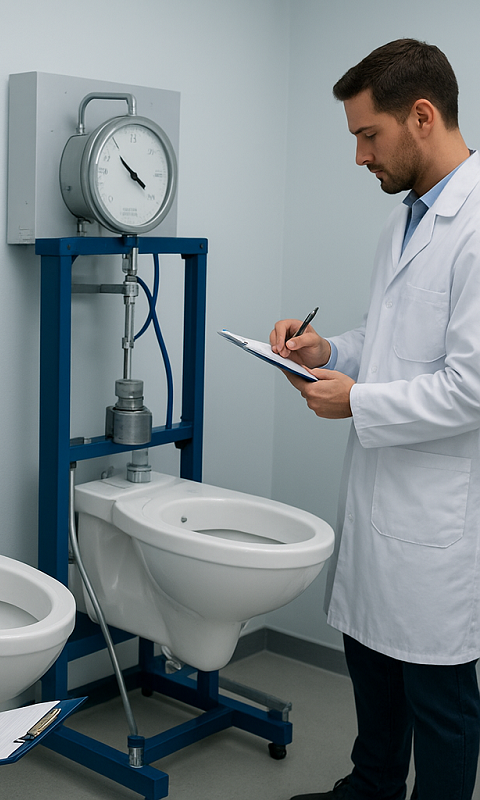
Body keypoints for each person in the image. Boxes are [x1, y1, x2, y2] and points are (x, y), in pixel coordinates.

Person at [270, 39, 480, 800]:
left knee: (442, 707)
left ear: (421, 116)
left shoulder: (476, 226)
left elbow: (471, 386)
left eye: (368, 135)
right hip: (382, 505)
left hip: (436, 522)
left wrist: (355, 399)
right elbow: (393, 347)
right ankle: (370, 787)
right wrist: (334, 349)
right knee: (374, 673)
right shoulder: (407, 221)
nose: (360, 157)